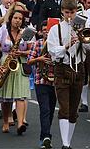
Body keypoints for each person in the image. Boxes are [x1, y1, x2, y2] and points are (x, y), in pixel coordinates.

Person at [47, 0, 90, 149]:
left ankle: (68, 141)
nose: (70, 16)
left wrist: (82, 37)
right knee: (64, 107)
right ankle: (65, 143)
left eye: (73, 12)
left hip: (79, 69)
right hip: (62, 69)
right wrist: (66, 46)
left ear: (77, 11)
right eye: (67, 12)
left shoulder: (83, 25)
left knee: (74, 110)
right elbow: (52, 51)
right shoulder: (56, 29)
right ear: (62, 12)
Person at [0, 10, 31, 135]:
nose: (17, 20)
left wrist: (22, 53)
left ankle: (20, 124)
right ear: (11, 19)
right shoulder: (3, 31)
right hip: (5, 62)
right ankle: (5, 122)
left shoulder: (26, 32)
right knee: (5, 97)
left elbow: (32, 51)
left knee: (20, 95)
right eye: (15, 18)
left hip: (20, 63)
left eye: (20, 18)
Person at [27, 20, 56, 149]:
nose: (46, 32)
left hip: (55, 81)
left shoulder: (56, 43)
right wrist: (40, 59)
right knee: (44, 109)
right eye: (44, 30)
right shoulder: (37, 44)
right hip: (41, 80)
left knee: (50, 110)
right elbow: (29, 61)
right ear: (40, 31)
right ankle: (46, 136)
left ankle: (44, 135)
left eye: (48, 29)